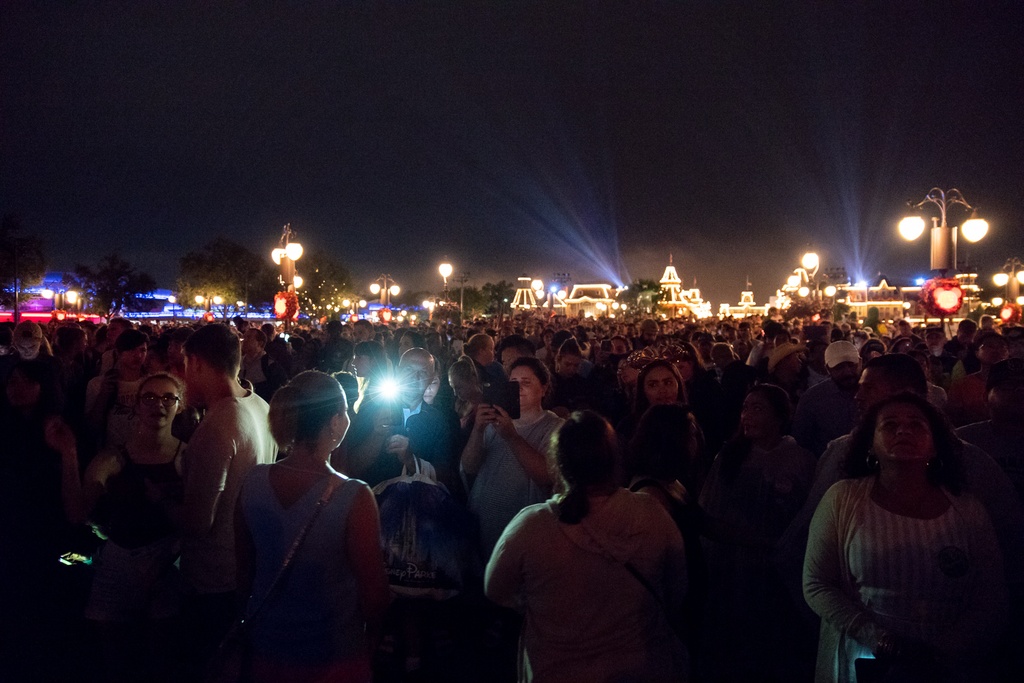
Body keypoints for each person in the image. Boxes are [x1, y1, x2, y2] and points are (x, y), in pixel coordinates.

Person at [804, 393, 1007, 682]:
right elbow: (816, 583)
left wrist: (941, 652)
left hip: (945, 667)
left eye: (917, 425)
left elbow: (991, 598)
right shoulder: (843, 499)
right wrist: (878, 639)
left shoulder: (968, 510)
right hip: (864, 658)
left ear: (935, 446)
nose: (903, 430)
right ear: (871, 446)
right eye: (889, 425)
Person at [485, 411, 688, 682]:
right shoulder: (650, 513)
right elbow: (677, 586)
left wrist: (537, 600)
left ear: (557, 462)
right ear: (614, 459)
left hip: (558, 668)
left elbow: (495, 588)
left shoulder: (532, 526)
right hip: (642, 664)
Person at [236, 371, 390, 682]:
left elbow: (245, 571)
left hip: (267, 648)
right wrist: (372, 639)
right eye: (345, 410)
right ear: (335, 421)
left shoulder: (253, 481)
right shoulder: (354, 496)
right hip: (332, 656)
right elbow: (374, 593)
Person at [52, 372, 185, 682]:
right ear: (136, 405)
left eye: (169, 398)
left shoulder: (189, 457)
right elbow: (77, 512)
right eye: (149, 397)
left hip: (168, 568)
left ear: (180, 406)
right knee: (115, 662)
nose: (159, 404)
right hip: (117, 565)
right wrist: (69, 454)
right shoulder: (113, 457)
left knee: (159, 662)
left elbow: (197, 521)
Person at [177, 323, 277, 677]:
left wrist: (158, 503)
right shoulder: (261, 406)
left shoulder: (219, 424)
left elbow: (197, 521)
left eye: (185, 366)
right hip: (249, 565)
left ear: (199, 364)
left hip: (213, 578)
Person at [699, 383, 817, 681]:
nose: (747, 415)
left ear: (779, 416)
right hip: (735, 568)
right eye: (745, 408)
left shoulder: (800, 460)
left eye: (758, 408)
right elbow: (710, 512)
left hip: (782, 571)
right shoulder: (730, 456)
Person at [462, 356, 563, 560]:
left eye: (526, 383)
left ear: (543, 388)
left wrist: (512, 437)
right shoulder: (494, 420)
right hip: (482, 524)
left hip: (523, 532)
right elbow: (469, 467)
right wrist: (478, 429)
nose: (518, 388)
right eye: (513, 383)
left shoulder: (554, 426)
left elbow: (546, 477)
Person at [792, 341, 861, 458]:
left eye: (851, 365)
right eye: (839, 367)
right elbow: (801, 443)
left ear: (860, 362)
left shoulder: (874, 392)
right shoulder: (813, 398)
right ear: (828, 369)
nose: (847, 372)